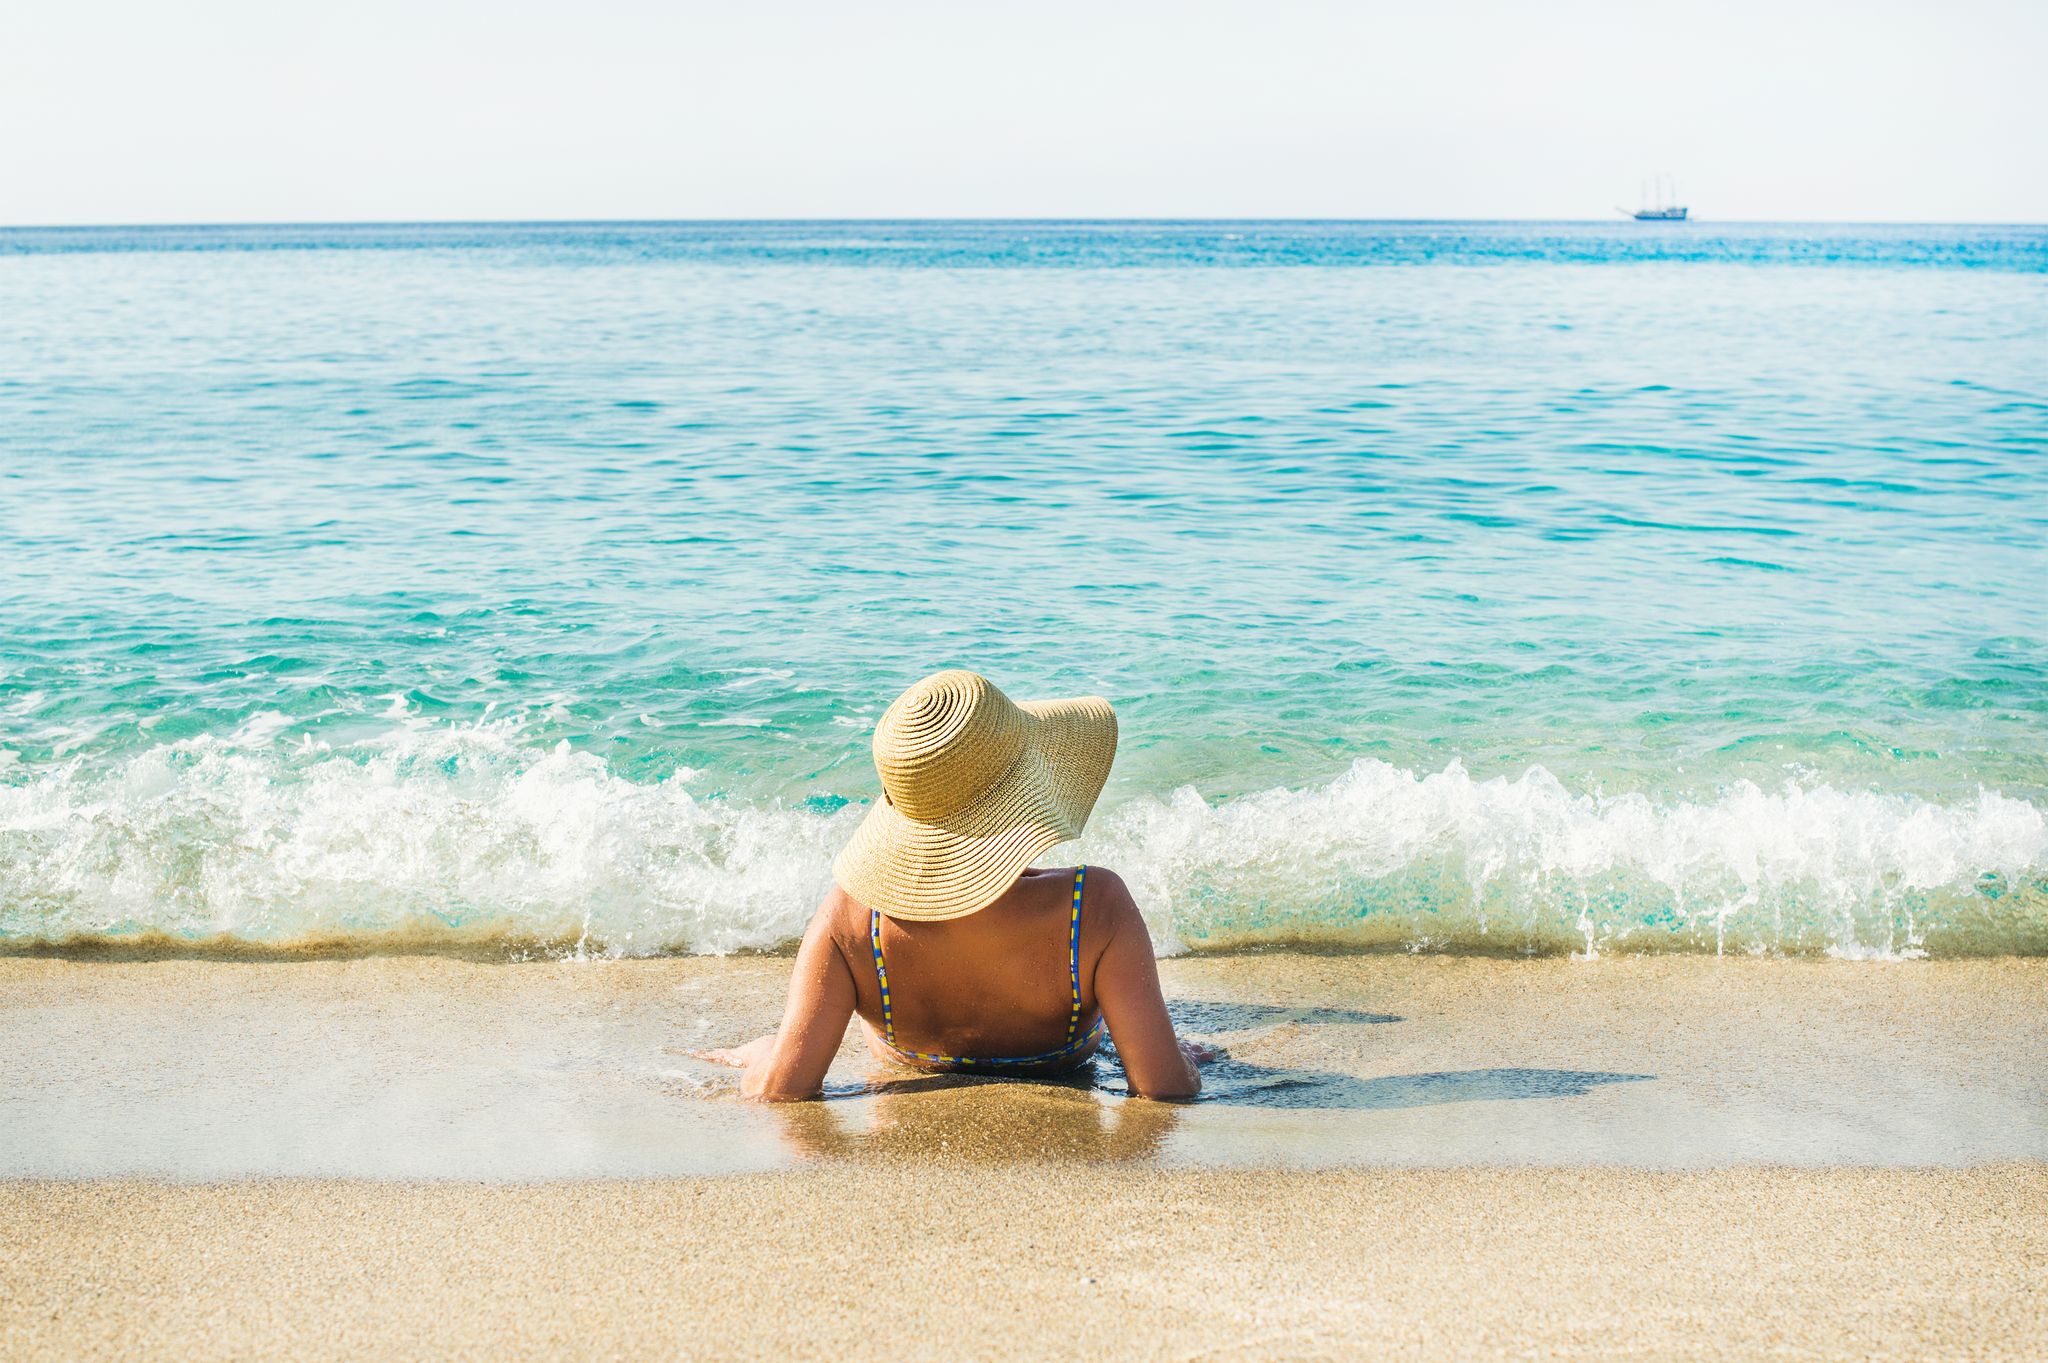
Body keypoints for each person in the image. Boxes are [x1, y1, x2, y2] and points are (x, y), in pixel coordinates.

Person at [696, 669, 1215, 1101]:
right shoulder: (1094, 909)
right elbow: (1164, 1088)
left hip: (906, 1067)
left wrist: (765, 1053)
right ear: (1029, 788)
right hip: (1065, 1064)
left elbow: (779, 1090)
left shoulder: (851, 920)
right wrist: (1174, 1055)